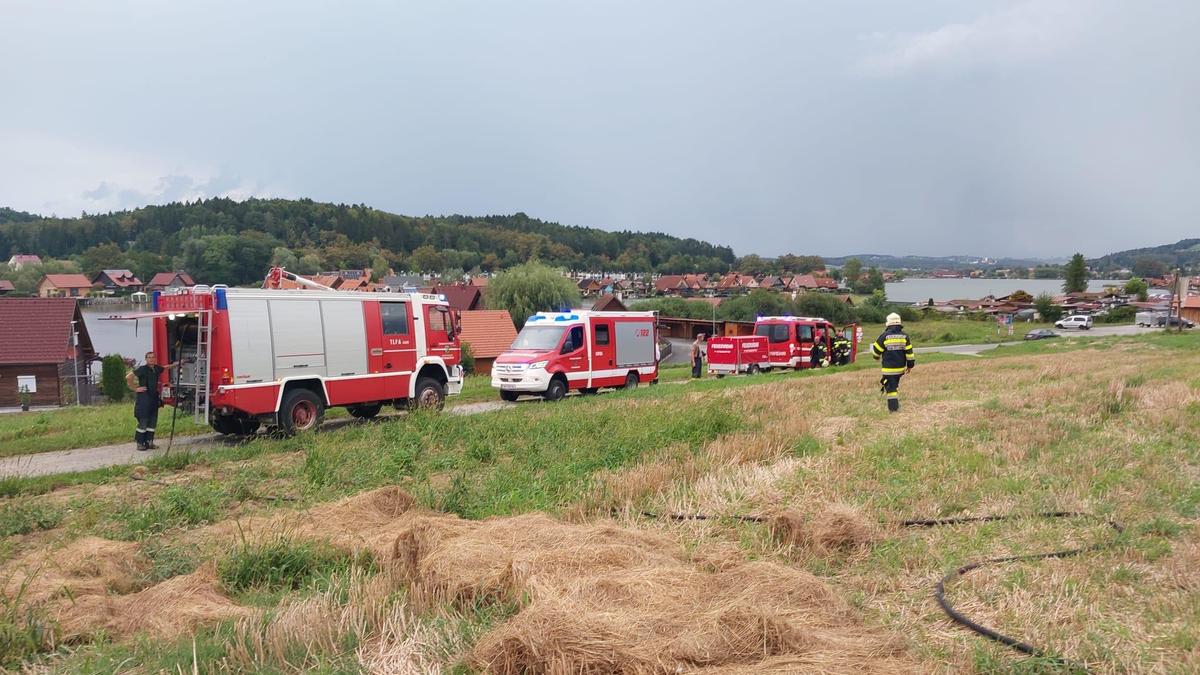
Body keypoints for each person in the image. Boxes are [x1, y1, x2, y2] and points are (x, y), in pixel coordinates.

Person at [126, 351, 176, 451]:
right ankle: (140, 443)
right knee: (144, 420)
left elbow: (166, 367)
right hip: (144, 397)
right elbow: (128, 377)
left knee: (153, 420)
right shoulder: (142, 369)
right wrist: (135, 388)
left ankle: (149, 442)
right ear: (146, 359)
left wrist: (178, 363)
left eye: (153, 357)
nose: (151, 359)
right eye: (149, 357)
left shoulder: (156, 368)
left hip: (153, 397)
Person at [871, 313, 914, 413]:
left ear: (888, 324)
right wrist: (910, 365)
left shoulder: (884, 336)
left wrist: (876, 357)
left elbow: (876, 350)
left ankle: (893, 409)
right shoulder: (904, 336)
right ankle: (894, 406)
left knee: (891, 389)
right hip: (900, 369)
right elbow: (909, 353)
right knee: (893, 384)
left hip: (888, 369)